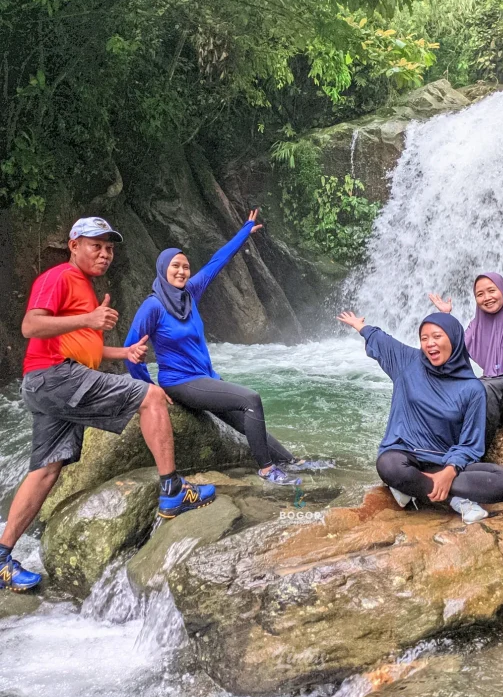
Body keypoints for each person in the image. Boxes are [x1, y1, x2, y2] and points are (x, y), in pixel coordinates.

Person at [0, 217, 215, 593]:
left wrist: (123, 351)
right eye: (95, 245)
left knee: (47, 471)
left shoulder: (82, 285)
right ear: (73, 245)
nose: (104, 253)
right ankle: (172, 491)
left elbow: (83, 348)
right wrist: (91, 317)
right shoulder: (60, 277)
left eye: (109, 248)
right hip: (56, 377)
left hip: (48, 382)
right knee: (150, 396)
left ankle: (1, 556)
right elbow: (31, 327)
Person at [125, 210, 324, 485]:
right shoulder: (153, 306)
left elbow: (218, 261)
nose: (182, 271)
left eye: (185, 267)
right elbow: (130, 351)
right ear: (163, 270)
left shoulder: (190, 293)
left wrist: (245, 231)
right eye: (175, 267)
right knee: (250, 400)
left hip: (204, 378)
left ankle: (291, 461)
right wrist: (151, 388)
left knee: (244, 419)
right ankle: (267, 470)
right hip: (180, 381)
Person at [337, 310, 503, 523]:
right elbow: (381, 340)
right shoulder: (407, 362)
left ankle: (413, 487)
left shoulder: (472, 389)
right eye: (424, 338)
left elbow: (471, 444)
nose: (429, 344)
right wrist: (361, 326)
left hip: (444, 460)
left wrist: (449, 471)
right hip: (405, 455)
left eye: (437, 336)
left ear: (453, 339)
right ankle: (456, 500)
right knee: (389, 466)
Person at [429, 272, 503, 444]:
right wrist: (446, 317)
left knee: (483, 388)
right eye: (480, 294)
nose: (487, 297)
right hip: (492, 385)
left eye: (491, 290)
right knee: (462, 388)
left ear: (502, 289)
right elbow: (455, 350)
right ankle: (439, 444)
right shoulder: (478, 323)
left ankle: (474, 452)